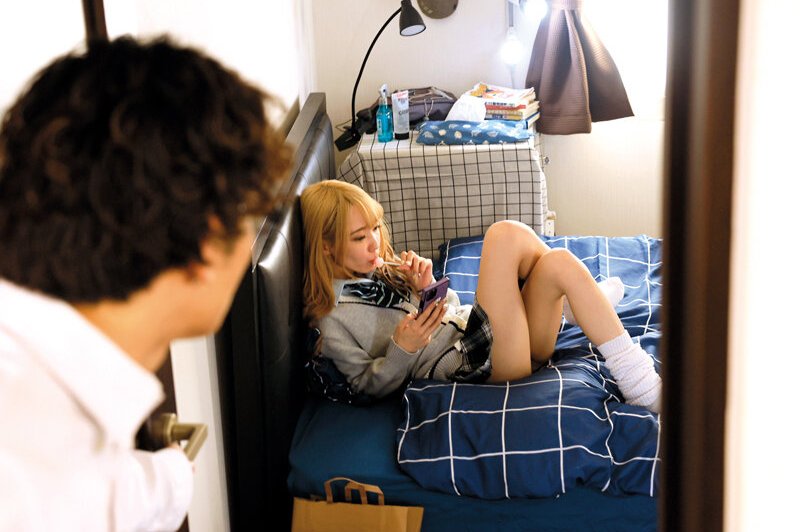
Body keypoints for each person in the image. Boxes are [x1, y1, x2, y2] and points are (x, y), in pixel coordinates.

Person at [0, 36, 291, 531]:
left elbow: (122, 490)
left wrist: (173, 473)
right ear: (206, 243)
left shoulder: (57, 416)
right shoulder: (42, 491)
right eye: (249, 219)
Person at [301, 180, 661, 412]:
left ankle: (580, 308)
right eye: (359, 237)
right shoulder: (331, 321)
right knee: (503, 237)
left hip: (492, 340)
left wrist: (426, 287)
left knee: (559, 263)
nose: (375, 242)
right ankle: (634, 376)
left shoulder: (382, 269)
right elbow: (364, 389)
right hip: (476, 366)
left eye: (375, 228)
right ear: (326, 247)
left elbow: (450, 312)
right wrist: (401, 348)